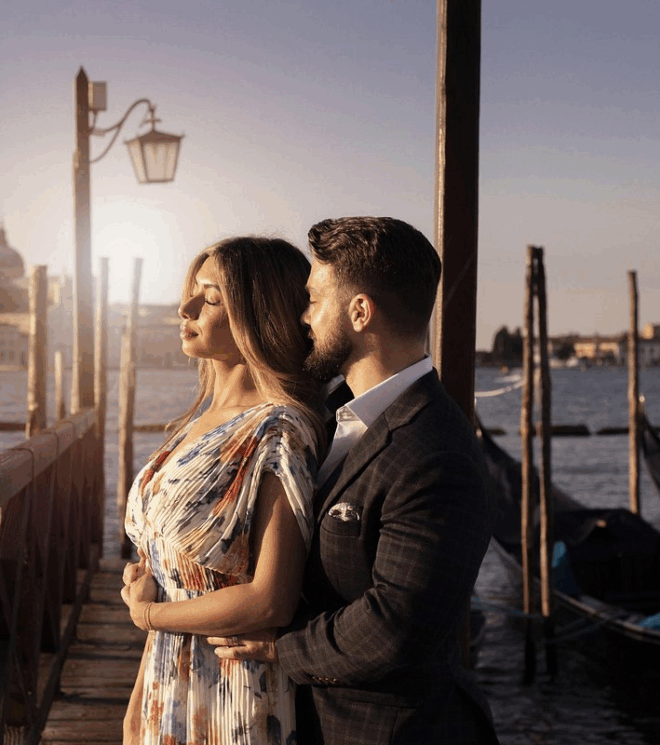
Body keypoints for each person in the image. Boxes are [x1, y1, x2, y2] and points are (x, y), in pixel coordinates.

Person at [207, 217, 499, 744]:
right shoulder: (330, 417)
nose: (304, 317)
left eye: (314, 300)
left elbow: (396, 624)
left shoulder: (436, 451)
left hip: (391, 731)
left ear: (360, 312)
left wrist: (280, 648)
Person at [119, 236, 326, 745]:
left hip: (231, 695)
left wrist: (148, 616)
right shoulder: (194, 423)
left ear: (259, 318)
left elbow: (270, 601)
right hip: (164, 683)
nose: (185, 308)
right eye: (192, 292)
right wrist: (135, 709)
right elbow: (167, 578)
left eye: (210, 298)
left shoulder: (278, 431)